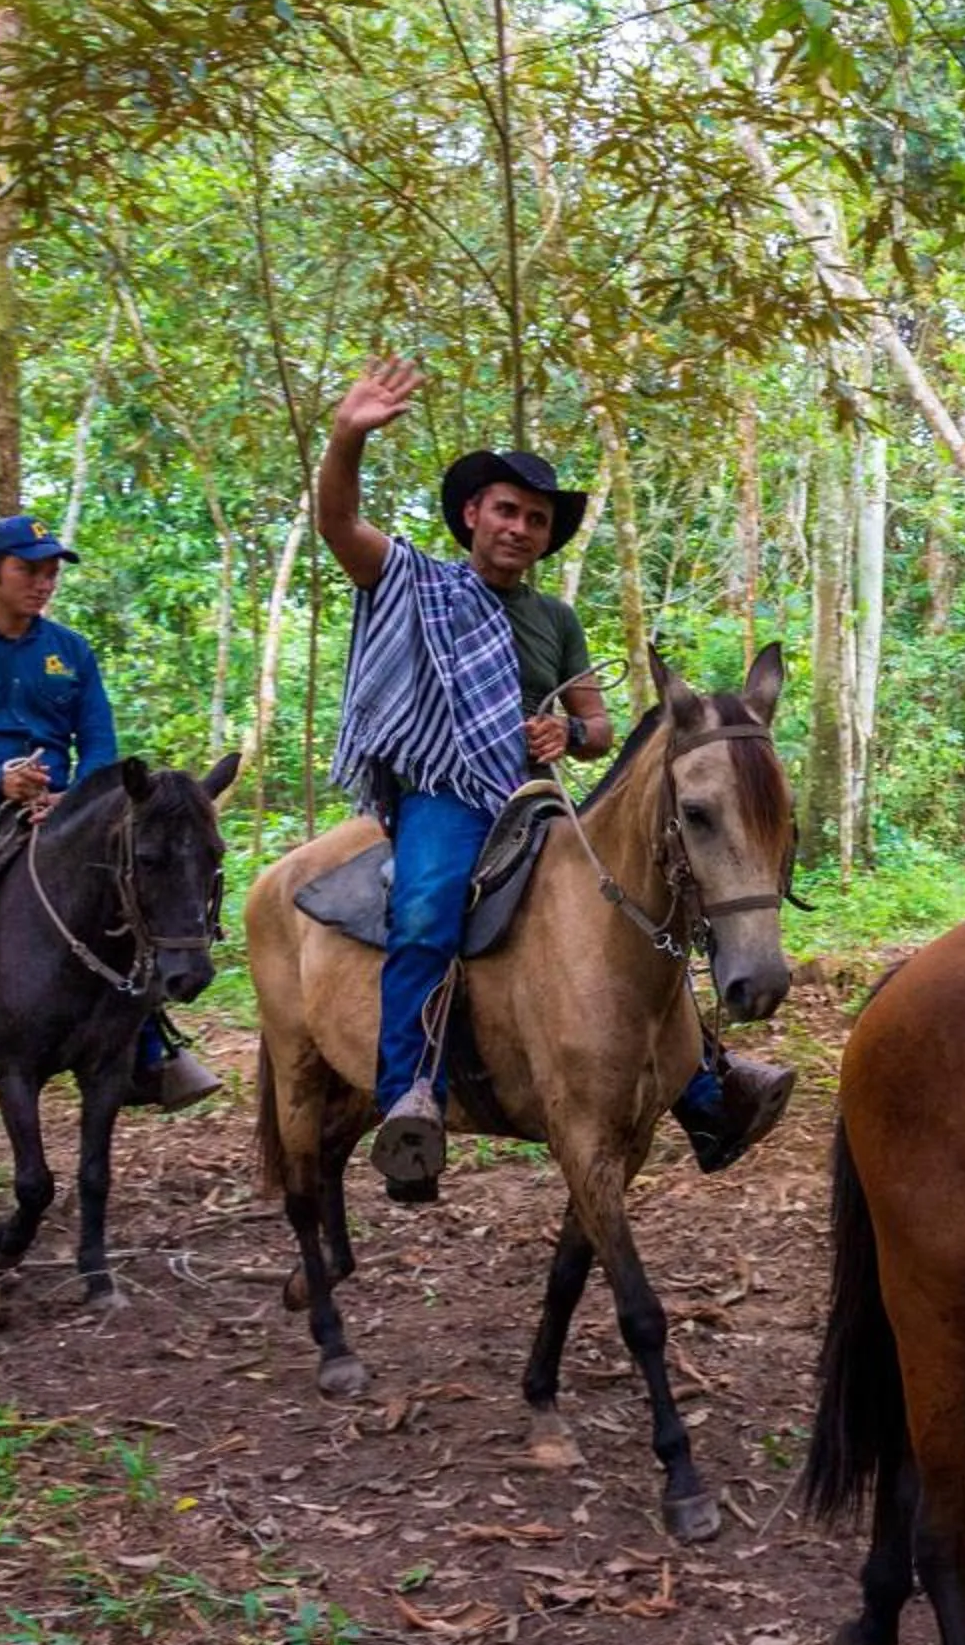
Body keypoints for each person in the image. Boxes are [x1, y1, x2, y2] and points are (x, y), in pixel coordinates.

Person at [314, 361, 796, 1195]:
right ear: (473, 516)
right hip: (446, 794)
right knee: (426, 912)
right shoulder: (417, 583)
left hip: (538, 798)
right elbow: (337, 522)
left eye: (536, 519)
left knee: (654, 909)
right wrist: (348, 435)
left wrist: (568, 730)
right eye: (506, 511)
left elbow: (600, 727)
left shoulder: (557, 620)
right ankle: (407, 1099)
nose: (521, 528)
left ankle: (705, 1087)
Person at [0, 515, 222, 1137]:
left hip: (63, 804)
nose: (44, 583)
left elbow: (100, 740)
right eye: (29, 570)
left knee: (130, 896)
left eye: (51, 572)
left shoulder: (70, 650)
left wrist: (77, 797)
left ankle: (151, 1045)